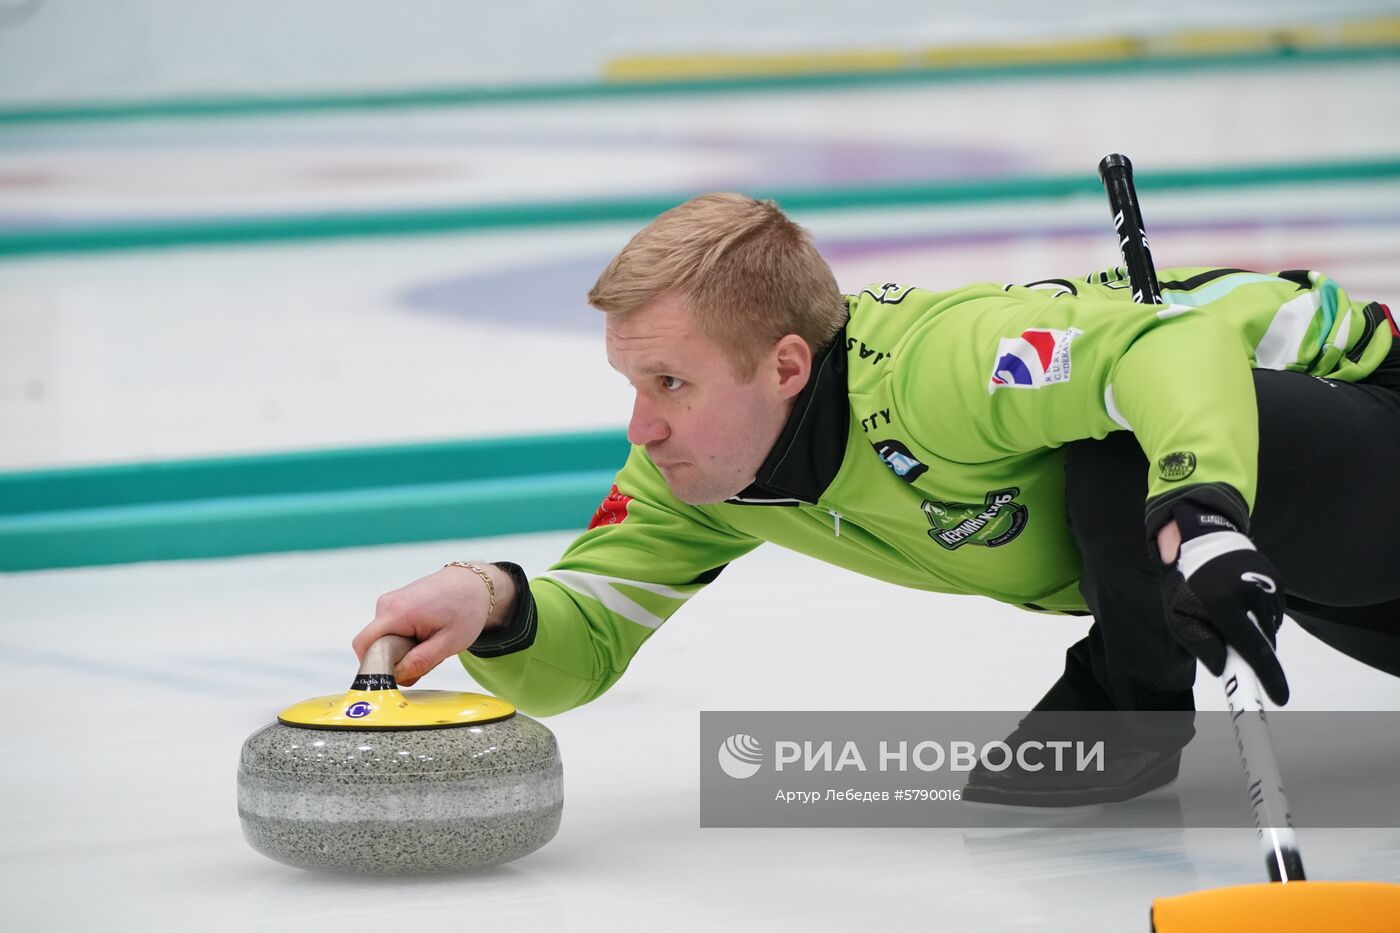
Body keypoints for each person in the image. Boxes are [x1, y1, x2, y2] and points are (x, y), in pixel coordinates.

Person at [354, 193, 1400, 805]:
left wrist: (1203, 512)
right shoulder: (700, 481)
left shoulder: (938, 369)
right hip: (1329, 562)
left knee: (1118, 450)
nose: (642, 428)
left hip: (1362, 430)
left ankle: (1129, 710)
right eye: (632, 385)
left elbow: (1166, 344)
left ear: (786, 367)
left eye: (668, 383)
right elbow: (580, 647)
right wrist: (491, 596)